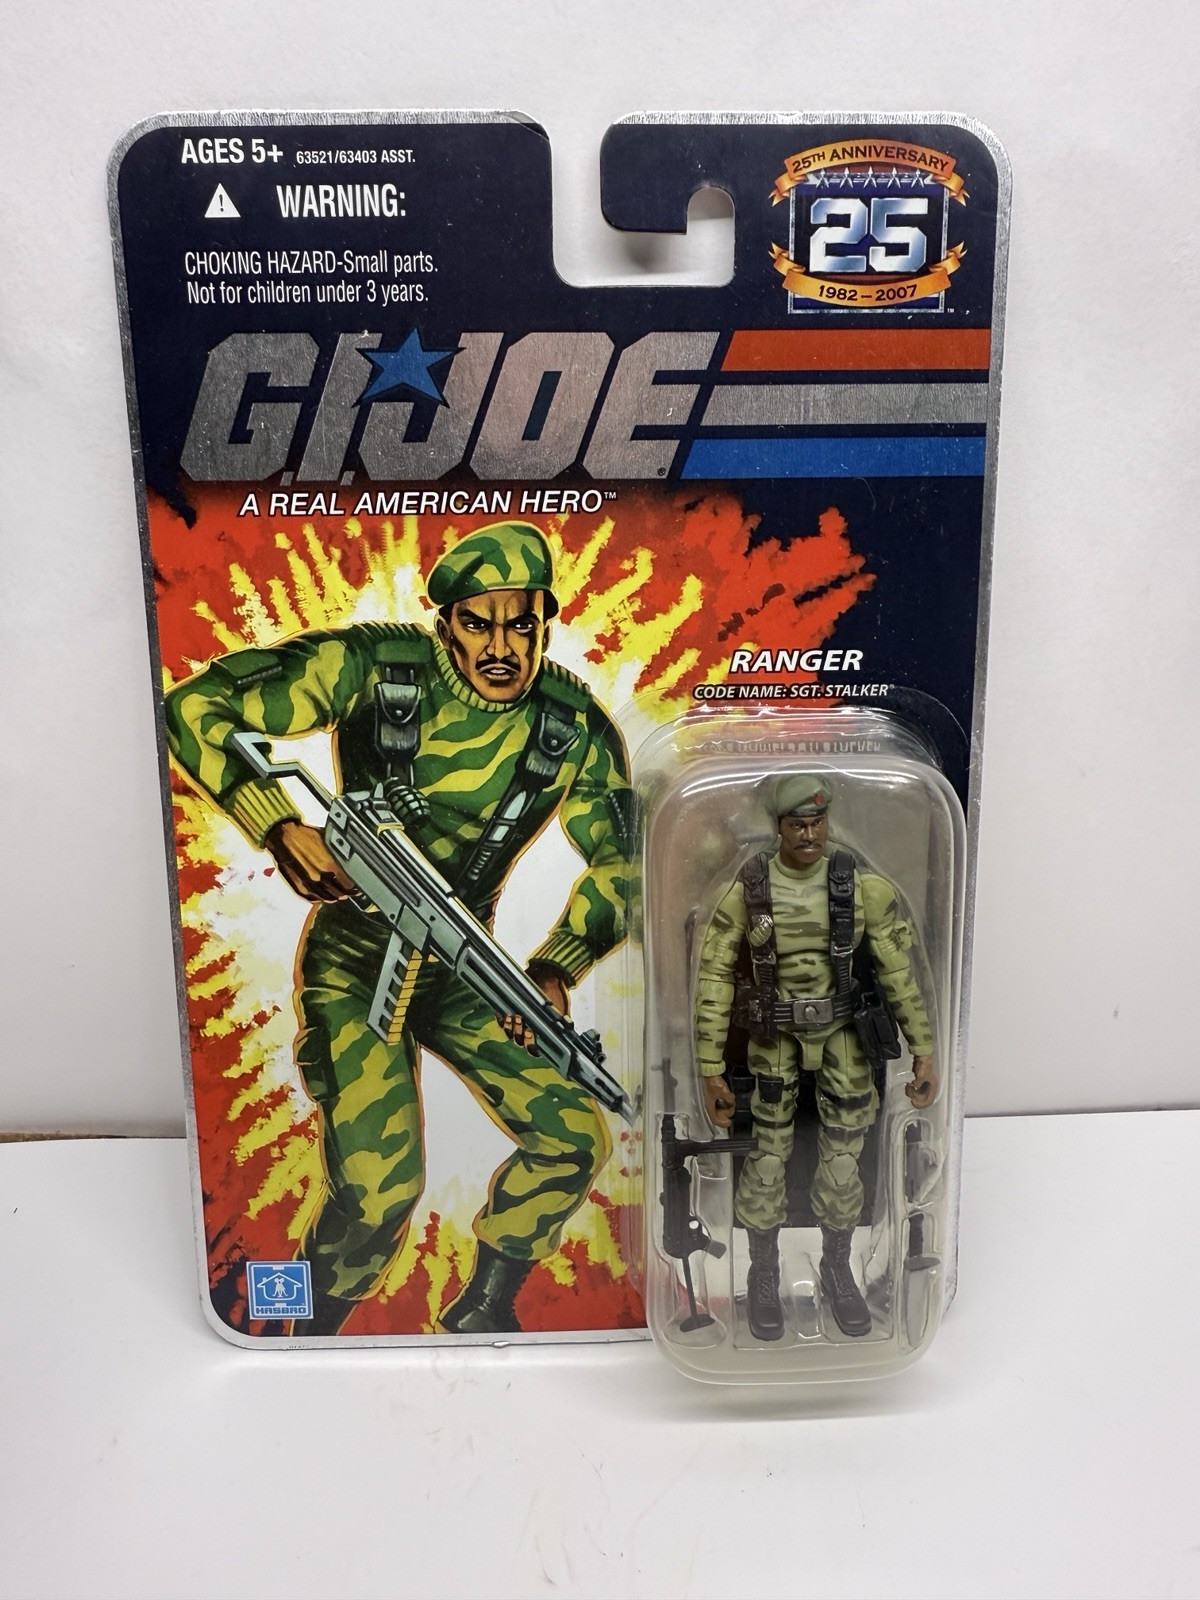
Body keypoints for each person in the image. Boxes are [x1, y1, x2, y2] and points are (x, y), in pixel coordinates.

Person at [165, 520, 634, 1335]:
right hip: (358, 960)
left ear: (545, 623)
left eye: (520, 625)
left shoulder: (571, 728)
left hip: (466, 965)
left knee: (572, 1134)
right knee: (380, 1190)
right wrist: (278, 824)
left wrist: (556, 967)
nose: (500, 648)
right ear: (444, 622)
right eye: (477, 623)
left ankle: (483, 1308)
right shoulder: (374, 668)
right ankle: (308, 1321)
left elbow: (622, 862)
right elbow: (195, 706)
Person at [693, 773, 936, 1340]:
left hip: (843, 1033)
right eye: (798, 824)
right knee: (766, 1157)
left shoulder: (861, 888)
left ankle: (837, 1268)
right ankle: (762, 1271)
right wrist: (709, 1067)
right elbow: (714, 979)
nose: (810, 835)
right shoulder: (749, 890)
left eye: (818, 823)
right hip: (773, 1037)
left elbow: (899, 974)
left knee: (845, 1157)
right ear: (778, 826)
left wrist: (923, 1049)